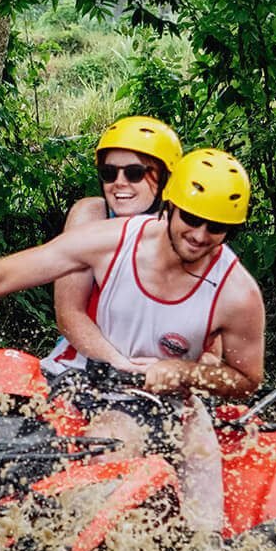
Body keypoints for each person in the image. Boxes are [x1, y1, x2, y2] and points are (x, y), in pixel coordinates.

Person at [0, 148, 265, 530]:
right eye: (192, 219)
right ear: (171, 206)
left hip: (148, 402)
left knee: (98, 454)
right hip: (71, 377)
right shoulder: (114, 241)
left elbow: (247, 379)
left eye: (218, 227)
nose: (200, 234)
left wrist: (181, 371)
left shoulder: (237, 294)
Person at [43, 115, 183, 377]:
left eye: (135, 173)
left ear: (165, 179)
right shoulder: (90, 215)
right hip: (79, 362)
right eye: (109, 173)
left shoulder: (183, 233)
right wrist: (117, 361)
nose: (119, 182)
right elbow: (68, 313)